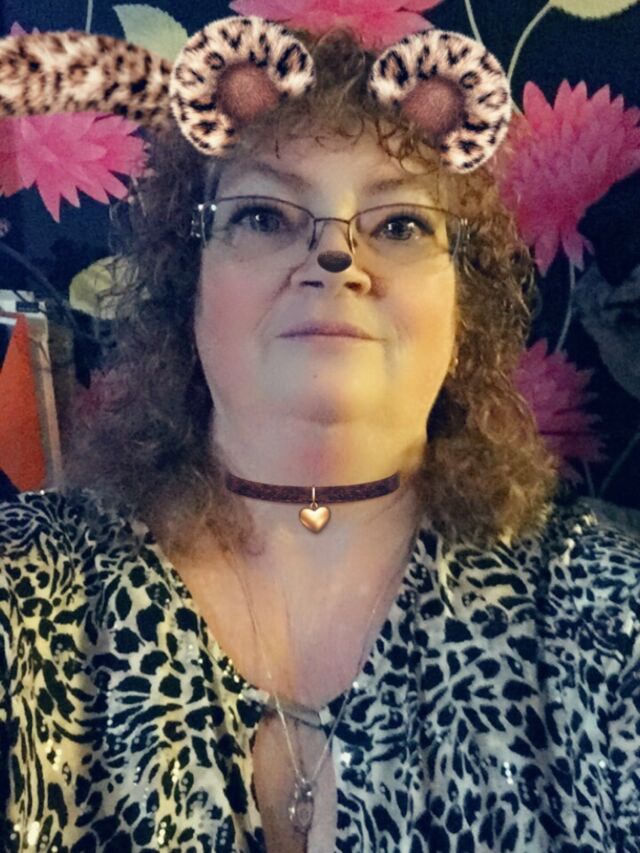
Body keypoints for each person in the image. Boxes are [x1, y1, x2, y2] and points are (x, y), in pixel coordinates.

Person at [0, 13, 639, 853]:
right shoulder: (27, 582)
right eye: (266, 216)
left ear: (462, 310)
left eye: (400, 224)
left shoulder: (607, 607)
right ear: (188, 286)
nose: (338, 260)